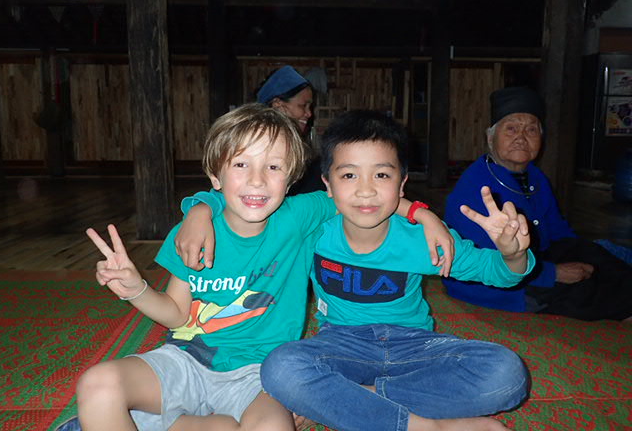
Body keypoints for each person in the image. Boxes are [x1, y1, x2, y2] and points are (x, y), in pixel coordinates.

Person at [59, 104, 453, 431]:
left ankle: (170, 422)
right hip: (186, 360)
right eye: (241, 165)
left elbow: (364, 194)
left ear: (291, 178)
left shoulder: (298, 217)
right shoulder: (193, 233)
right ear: (215, 175)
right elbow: (176, 313)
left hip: (260, 375)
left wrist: (422, 213)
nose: (257, 181)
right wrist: (137, 290)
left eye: (274, 167)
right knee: (97, 384)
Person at [181, 110, 533, 431]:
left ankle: (352, 398)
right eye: (349, 175)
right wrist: (199, 209)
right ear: (327, 184)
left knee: (507, 374)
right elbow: (247, 203)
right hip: (340, 345)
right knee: (280, 367)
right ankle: (426, 426)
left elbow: (499, 273)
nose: (366, 190)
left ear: (402, 183)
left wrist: (513, 254)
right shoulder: (312, 229)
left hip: (415, 346)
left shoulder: (423, 238)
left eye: (381, 174)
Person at [443, 86, 632, 321]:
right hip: (495, 282)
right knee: (586, 292)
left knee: (596, 255)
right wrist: (554, 272)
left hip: (534, 257)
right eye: (511, 128)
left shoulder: (535, 176)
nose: (521, 138)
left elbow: (558, 231)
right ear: (490, 137)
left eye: (531, 129)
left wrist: (584, 255)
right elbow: (483, 260)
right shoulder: (476, 186)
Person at [257, 65, 323, 194]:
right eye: (303, 106)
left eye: (310, 106)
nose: (309, 114)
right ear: (278, 106)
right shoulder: (259, 150)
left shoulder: (301, 153)